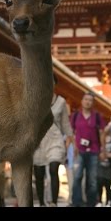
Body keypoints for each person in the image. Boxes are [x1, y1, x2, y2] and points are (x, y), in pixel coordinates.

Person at [33, 74, 73, 207]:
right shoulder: (35, 100)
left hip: (55, 139)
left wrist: (69, 140)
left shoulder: (61, 102)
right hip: (38, 140)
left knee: (54, 168)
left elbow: (65, 124)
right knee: (39, 174)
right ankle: (42, 202)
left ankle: (54, 203)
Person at [71, 92, 106, 207]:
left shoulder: (97, 116)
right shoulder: (76, 115)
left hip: (94, 151)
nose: (87, 102)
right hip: (79, 150)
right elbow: (71, 132)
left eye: (90, 100)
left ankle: (91, 203)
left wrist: (103, 150)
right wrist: (73, 147)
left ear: (93, 103)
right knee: (77, 177)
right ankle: (76, 202)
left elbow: (102, 133)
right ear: (82, 101)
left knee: (92, 179)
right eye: (85, 99)